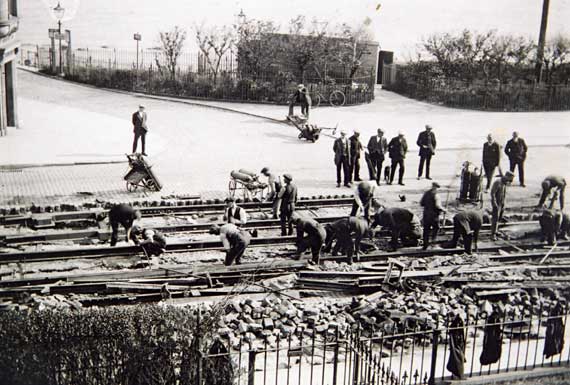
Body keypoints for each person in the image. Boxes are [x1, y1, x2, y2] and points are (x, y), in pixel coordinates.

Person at [420, 182, 446, 249]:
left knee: (426, 230)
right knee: (436, 228)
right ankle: (433, 243)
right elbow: (438, 206)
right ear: (436, 187)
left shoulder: (426, 193)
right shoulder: (436, 195)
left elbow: (421, 203)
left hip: (426, 215)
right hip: (434, 216)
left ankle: (425, 245)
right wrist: (444, 210)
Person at [490, 171, 514, 240]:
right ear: (507, 176)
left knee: (499, 218)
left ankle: (496, 231)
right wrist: (494, 203)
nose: (510, 181)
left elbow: (503, 194)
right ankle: (493, 234)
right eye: (510, 179)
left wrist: (504, 204)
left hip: (502, 203)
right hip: (497, 203)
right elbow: (493, 193)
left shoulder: (504, 183)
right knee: (495, 218)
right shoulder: (498, 182)